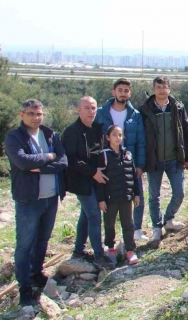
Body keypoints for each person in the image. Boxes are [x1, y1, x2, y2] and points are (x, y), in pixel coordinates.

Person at [5, 99, 68, 306]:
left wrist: (40, 165)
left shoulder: (50, 134)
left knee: (42, 240)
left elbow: (63, 161)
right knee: (24, 245)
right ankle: (24, 286)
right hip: (28, 200)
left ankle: (37, 273)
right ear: (21, 114)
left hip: (50, 197)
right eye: (31, 114)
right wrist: (49, 156)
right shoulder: (14, 137)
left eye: (39, 114)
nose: (36, 117)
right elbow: (22, 162)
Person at [62, 97, 114, 269]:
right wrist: (92, 172)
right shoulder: (71, 132)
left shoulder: (98, 129)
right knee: (94, 215)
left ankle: (78, 250)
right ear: (78, 110)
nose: (91, 111)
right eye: (87, 108)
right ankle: (99, 255)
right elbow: (71, 159)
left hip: (97, 178)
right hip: (80, 181)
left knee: (86, 215)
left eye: (93, 108)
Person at [140, 76, 188, 241]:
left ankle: (168, 219)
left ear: (169, 89)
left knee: (180, 192)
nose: (162, 90)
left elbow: (186, 132)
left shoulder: (178, 107)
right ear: (154, 89)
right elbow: (141, 137)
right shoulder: (145, 110)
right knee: (154, 196)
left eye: (165, 87)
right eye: (158, 87)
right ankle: (157, 227)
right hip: (154, 160)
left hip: (174, 159)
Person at [94, 78, 148, 242]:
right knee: (108, 200)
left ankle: (136, 230)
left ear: (129, 93)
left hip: (128, 161)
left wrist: (139, 165)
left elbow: (141, 141)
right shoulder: (102, 113)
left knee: (137, 196)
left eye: (126, 91)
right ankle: (109, 241)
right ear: (114, 92)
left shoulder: (135, 115)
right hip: (108, 161)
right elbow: (95, 140)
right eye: (120, 90)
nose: (123, 94)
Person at [96, 125, 140, 266]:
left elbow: (133, 176)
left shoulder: (127, 154)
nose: (117, 137)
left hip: (126, 197)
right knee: (109, 224)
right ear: (108, 137)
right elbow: (99, 180)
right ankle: (110, 249)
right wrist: (101, 199)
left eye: (120, 135)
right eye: (114, 134)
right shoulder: (104, 155)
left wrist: (137, 194)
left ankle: (130, 250)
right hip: (110, 198)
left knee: (128, 224)